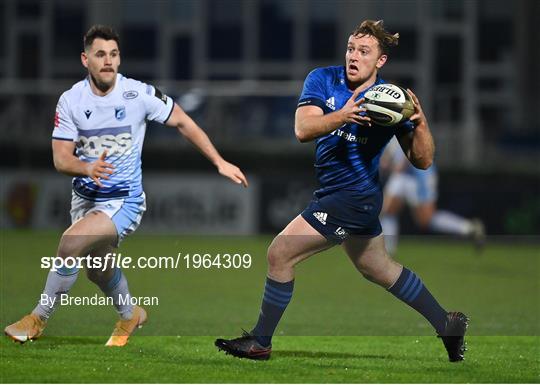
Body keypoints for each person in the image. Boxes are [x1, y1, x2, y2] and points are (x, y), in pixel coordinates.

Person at [215, 20, 467, 362]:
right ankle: (446, 323)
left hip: (353, 197)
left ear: (380, 61)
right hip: (340, 193)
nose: (354, 56)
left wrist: (420, 123)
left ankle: (260, 342)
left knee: (280, 254)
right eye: (351, 48)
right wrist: (344, 115)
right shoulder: (323, 79)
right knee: (377, 268)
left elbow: (422, 160)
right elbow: (303, 129)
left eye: (364, 52)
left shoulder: (390, 101)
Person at [4, 25, 248, 347]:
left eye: (114, 54)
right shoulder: (71, 101)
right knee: (97, 270)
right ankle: (129, 313)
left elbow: (183, 121)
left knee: (70, 243)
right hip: (85, 201)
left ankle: (37, 319)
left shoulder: (138, 94)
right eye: (100, 54)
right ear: (85, 59)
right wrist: (86, 167)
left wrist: (219, 161)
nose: (108, 61)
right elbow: (61, 159)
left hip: (123, 200)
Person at [380, 137, 485, 255]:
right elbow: (391, 152)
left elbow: (413, 143)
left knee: (426, 219)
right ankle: (387, 251)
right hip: (404, 175)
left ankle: (469, 228)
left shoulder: (403, 121)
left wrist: (400, 165)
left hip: (420, 173)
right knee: (387, 210)